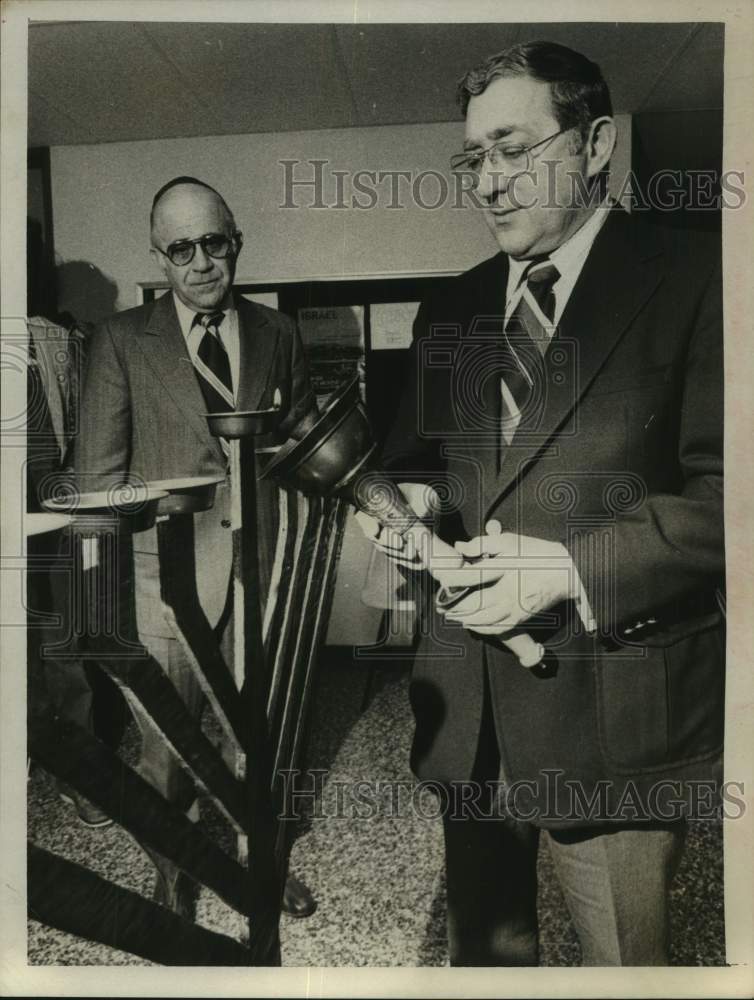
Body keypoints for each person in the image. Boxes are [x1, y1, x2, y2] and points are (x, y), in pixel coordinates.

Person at [358, 41, 724, 966]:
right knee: (488, 963)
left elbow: (734, 497)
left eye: (513, 149)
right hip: (468, 712)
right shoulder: (452, 313)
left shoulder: (703, 278)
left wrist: (568, 566)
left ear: (596, 143)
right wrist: (406, 503)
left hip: (614, 718)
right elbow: (427, 466)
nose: (488, 181)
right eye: (473, 158)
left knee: (626, 969)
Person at [74, 177, 319, 918]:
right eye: (181, 248)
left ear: (236, 241)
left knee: (259, 743)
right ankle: (175, 875)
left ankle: (259, 869)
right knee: (167, 751)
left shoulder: (278, 333)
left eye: (214, 242)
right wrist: (102, 609)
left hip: (259, 567)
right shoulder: (120, 340)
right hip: (160, 582)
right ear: (160, 255)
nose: (201, 262)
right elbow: (96, 480)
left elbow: (304, 442)